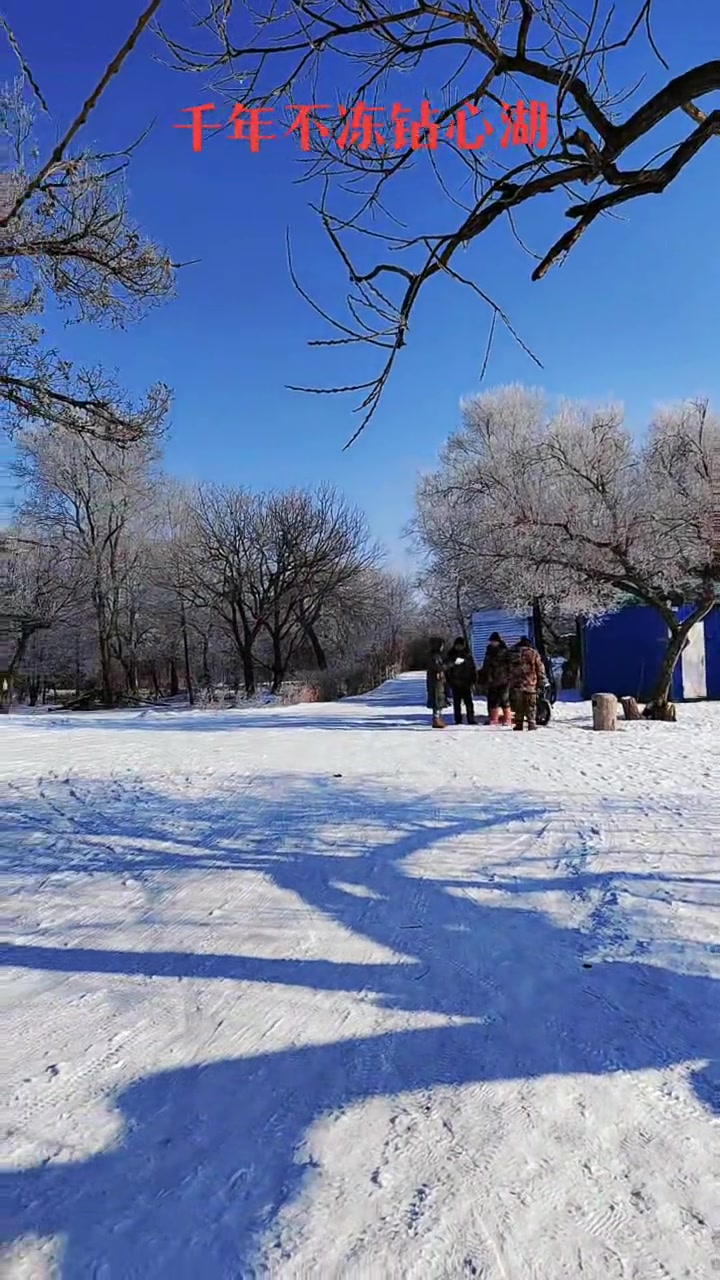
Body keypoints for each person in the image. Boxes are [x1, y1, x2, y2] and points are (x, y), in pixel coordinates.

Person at [507, 635, 546, 731]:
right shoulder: (533, 653)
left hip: (516, 684)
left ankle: (519, 724)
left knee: (518, 705)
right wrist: (541, 681)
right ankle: (531, 724)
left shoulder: (512, 654)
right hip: (530, 683)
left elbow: (507, 669)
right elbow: (540, 669)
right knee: (531, 705)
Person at [480, 631, 512, 726]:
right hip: (492, 679)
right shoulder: (489, 651)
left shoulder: (504, 651)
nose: (492, 643)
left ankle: (507, 718)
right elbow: (486, 665)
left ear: (498, 641)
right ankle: (494, 718)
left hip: (503, 678)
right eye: (491, 641)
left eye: (494, 641)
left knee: (504, 699)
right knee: (492, 699)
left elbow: (509, 665)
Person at [445, 636, 477, 725]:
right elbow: (447, 669)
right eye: (457, 645)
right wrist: (449, 681)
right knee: (457, 703)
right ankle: (458, 720)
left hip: (466, 682)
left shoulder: (467, 655)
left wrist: (473, 680)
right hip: (455, 682)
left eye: (460, 645)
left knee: (469, 703)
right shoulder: (451, 655)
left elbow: (472, 668)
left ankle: (471, 719)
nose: (459, 647)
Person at [425, 637, 447, 729]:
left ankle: (438, 718)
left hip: (437, 681)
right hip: (435, 682)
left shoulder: (437, 656)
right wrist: (449, 665)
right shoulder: (434, 656)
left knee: (439, 698)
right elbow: (438, 667)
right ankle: (436, 719)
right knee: (437, 699)